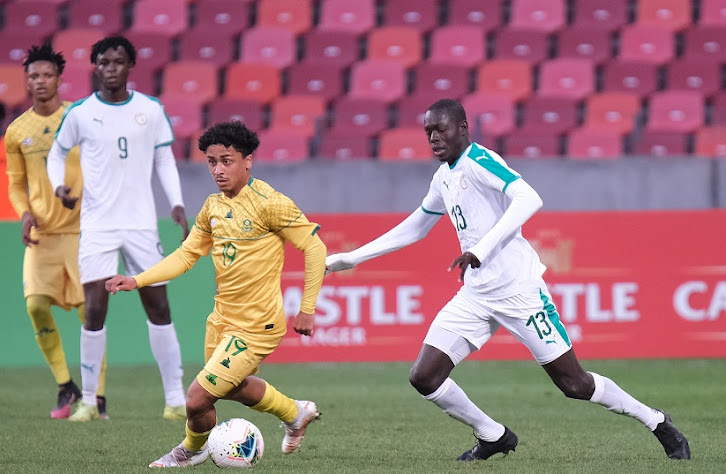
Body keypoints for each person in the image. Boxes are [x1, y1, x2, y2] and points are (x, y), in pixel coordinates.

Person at [325, 99, 691, 461]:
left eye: (441, 129)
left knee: (574, 384)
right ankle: (493, 435)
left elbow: (529, 198)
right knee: (424, 376)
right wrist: (352, 258)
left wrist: (481, 250)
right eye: (428, 132)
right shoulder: (444, 176)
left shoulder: (479, 161)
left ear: (463, 129)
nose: (434, 138)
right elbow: (416, 227)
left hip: (519, 291)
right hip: (476, 294)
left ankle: (655, 420)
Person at [105, 121, 326, 467]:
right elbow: (186, 255)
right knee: (226, 390)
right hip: (222, 319)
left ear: (248, 160)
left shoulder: (270, 203)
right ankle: (295, 413)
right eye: (212, 162)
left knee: (195, 399)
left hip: (257, 325)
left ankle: (189, 451)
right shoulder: (211, 207)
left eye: (227, 160)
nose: (218, 170)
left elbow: (314, 249)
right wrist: (138, 280)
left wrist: (307, 308)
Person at [47, 36, 189, 422]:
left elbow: (164, 160)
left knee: (158, 306)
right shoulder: (79, 113)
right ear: (95, 66)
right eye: (104, 62)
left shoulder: (150, 109)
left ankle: (176, 400)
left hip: (141, 223)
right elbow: (57, 153)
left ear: (130, 66)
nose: (111, 68)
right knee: (94, 308)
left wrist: (175, 201)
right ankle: (90, 402)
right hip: (98, 224)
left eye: (119, 61)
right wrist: (59, 186)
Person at [5, 44, 109, 419]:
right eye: (34, 75)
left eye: (47, 74)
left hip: (83, 232)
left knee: (89, 314)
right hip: (43, 235)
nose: (41, 81)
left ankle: (97, 397)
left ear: (59, 80)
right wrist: (23, 213)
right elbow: (16, 183)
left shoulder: (80, 118)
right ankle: (66, 386)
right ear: (27, 81)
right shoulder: (17, 131)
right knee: (35, 305)